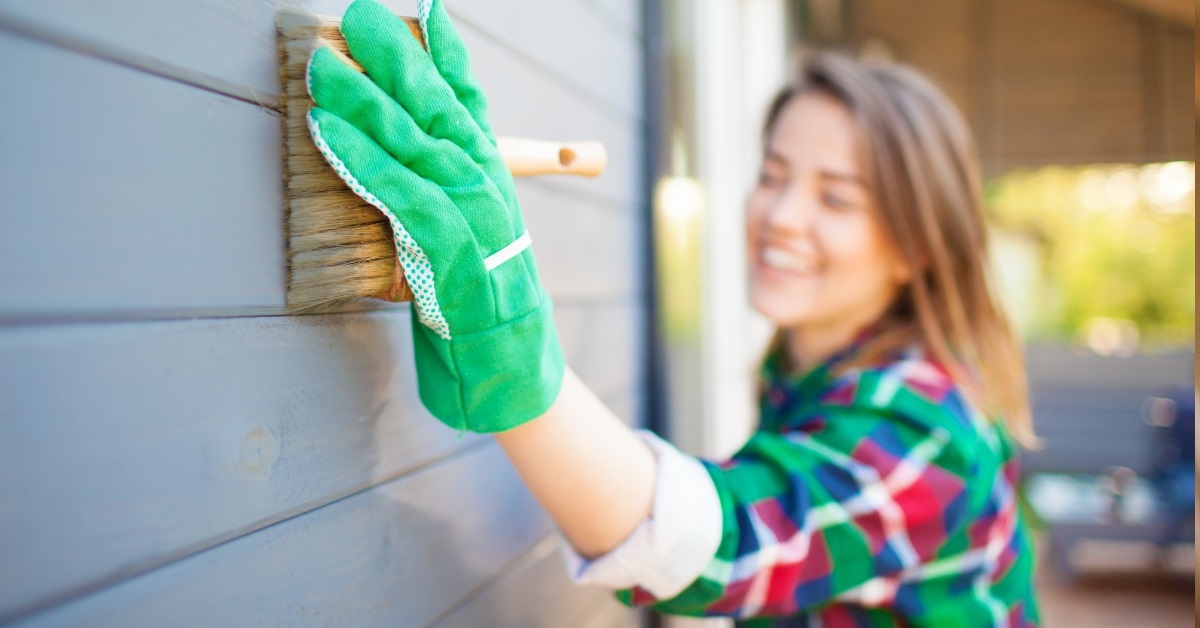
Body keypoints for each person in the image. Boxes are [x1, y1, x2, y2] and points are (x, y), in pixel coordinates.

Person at [306, 1, 1041, 624]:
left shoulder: (923, 426)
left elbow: (716, 551)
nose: (780, 215)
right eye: (774, 175)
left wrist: (506, 335)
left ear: (917, 245)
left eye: (836, 197)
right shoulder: (813, 369)